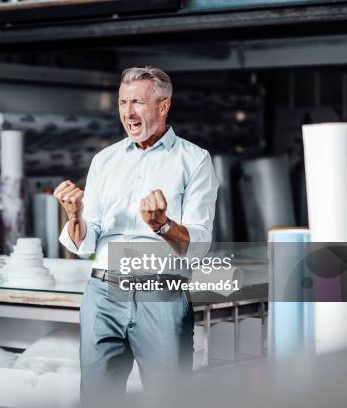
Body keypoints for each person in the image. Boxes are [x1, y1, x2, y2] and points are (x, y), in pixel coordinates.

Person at [53, 66, 218, 405]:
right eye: (122, 102)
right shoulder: (104, 160)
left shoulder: (195, 160)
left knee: (167, 398)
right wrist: (74, 216)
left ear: (163, 105)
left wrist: (162, 225)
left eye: (138, 102)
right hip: (103, 291)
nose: (128, 113)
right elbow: (88, 240)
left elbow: (199, 245)